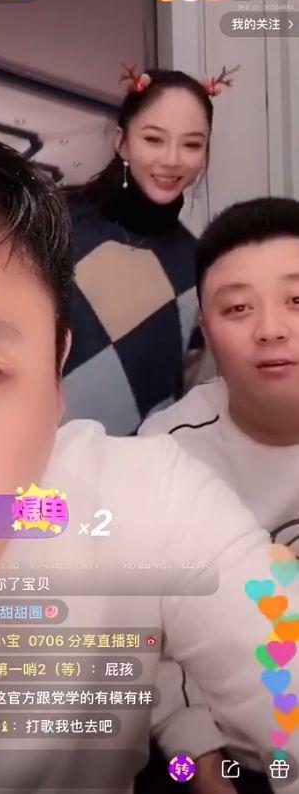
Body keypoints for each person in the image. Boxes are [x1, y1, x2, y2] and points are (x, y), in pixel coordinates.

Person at [0, 95, 298, 794]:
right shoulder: (95, 239)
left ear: (56, 368)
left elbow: (280, 664)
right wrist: (192, 742)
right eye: (237, 307)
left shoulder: (144, 495)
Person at [140, 197, 299, 789]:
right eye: (238, 308)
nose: (271, 329)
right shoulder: (167, 453)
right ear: (206, 331)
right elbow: (155, 638)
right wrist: (200, 764)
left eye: (297, 300)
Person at [64, 67, 225, 436]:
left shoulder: (200, 267)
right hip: (35, 456)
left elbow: (193, 401)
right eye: (154, 139)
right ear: (122, 142)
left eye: (191, 144)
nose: (172, 159)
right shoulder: (55, 223)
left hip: (140, 464)